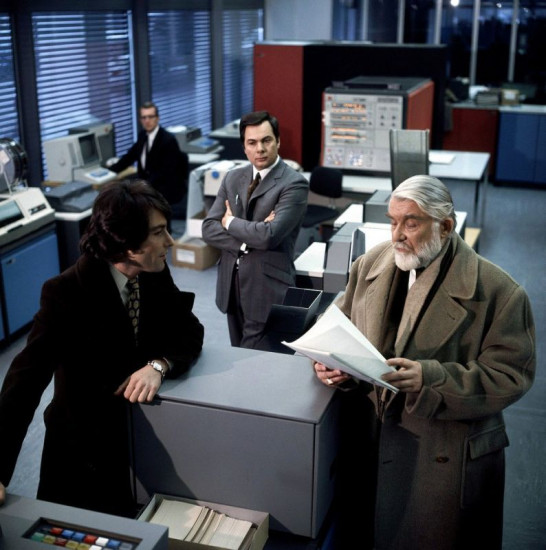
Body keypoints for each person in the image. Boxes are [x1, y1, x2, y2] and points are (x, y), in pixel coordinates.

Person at [313, 175, 536, 550]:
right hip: (371, 442)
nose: (397, 235)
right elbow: (337, 325)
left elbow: (512, 375)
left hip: (442, 454)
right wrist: (330, 364)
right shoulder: (370, 263)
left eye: (411, 223)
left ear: (445, 227)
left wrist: (431, 379)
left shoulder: (500, 292)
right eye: (392, 221)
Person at [0, 179, 204, 518]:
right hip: (81, 452)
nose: (170, 241)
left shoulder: (153, 272)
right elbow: (24, 381)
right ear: (126, 242)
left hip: (137, 439)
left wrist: (158, 364)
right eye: (159, 233)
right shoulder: (65, 292)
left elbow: (189, 330)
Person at [201, 110, 309, 349]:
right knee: (236, 349)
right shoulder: (232, 178)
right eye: (252, 142)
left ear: (278, 141)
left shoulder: (294, 183)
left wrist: (230, 223)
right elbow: (208, 228)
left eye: (266, 140)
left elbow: (269, 236)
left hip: (266, 287)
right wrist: (246, 240)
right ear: (244, 147)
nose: (260, 148)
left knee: (251, 358)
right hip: (231, 284)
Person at [109, 101, 189, 209]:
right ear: (140, 120)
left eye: (150, 117)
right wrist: (109, 172)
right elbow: (129, 157)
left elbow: (165, 173)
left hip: (164, 191)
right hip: (148, 187)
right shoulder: (143, 136)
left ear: (157, 118)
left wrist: (141, 187)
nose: (147, 121)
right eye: (144, 117)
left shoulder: (168, 140)